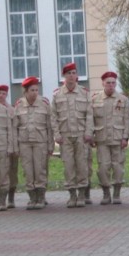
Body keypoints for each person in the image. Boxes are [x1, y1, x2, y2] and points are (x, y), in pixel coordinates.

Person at [51, 62, 94, 208]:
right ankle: (72, 195)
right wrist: (57, 134)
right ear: (64, 75)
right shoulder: (57, 95)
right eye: (69, 73)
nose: (71, 76)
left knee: (82, 165)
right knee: (68, 166)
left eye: (74, 73)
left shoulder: (84, 93)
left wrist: (88, 133)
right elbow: (53, 117)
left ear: (77, 75)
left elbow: (89, 115)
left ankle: (81, 194)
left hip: (81, 136)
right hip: (65, 137)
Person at [15, 77, 54, 209]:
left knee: (40, 170)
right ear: (25, 91)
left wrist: (51, 145)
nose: (35, 93)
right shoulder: (19, 104)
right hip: (24, 143)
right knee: (28, 171)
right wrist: (15, 147)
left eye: (37, 90)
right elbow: (15, 127)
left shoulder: (44, 103)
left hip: (40, 142)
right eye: (32, 90)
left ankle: (41, 198)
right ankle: (32, 198)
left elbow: (49, 127)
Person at [92, 71, 129, 205]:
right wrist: (91, 136)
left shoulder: (123, 99)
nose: (111, 85)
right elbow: (91, 120)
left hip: (117, 138)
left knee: (118, 166)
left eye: (113, 83)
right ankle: (106, 193)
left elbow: (127, 120)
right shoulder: (95, 99)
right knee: (103, 167)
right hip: (101, 138)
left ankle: (117, 193)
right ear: (103, 83)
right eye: (108, 83)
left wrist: (125, 137)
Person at [0, 84, 20, 208]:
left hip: (12, 145)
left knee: (12, 172)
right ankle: (1, 199)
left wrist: (16, 147)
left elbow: (16, 129)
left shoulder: (12, 110)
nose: (1, 95)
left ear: (6, 95)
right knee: (0, 173)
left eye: (3, 93)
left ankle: (11, 198)